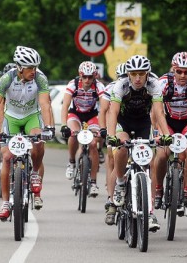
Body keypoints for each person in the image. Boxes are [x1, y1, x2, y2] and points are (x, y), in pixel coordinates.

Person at [0, 46, 53, 220]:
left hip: (32, 116)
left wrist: (49, 128)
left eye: (35, 67)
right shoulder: (6, 79)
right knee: (7, 157)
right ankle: (6, 202)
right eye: (30, 67)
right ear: (20, 67)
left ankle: (35, 173)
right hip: (12, 118)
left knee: (38, 142)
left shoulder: (40, 78)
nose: (34, 71)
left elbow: (45, 105)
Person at [107, 55, 172, 232]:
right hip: (124, 122)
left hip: (143, 123)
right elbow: (112, 112)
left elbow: (159, 112)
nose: (137, 78)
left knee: (149, 163)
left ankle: (150, 212)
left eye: (141, 74)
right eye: (134, 74)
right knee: (121, 147)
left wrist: (166, 134)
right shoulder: (121, 85)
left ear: (147, 74)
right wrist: (112, 135)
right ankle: (120, 183)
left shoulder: (154, 85)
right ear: (128, 74)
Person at [152, 52, 187, 211]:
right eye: (179, 71)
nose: (183, 75)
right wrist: (158, 131)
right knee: (162, 153)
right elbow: (156, 111)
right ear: (173, 69)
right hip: (167, 122)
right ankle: (158, 188)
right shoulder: (163, 82)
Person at [60, 61, 105, 197]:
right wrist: (63, 125)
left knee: (93, 144)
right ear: (80, 76)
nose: (87, 80)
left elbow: (104, 108)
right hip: (76, 114)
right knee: (73, 135)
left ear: (94, 76)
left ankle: (93, 182)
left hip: (92, 115)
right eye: (84, 77)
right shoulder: (73, 85)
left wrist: (103, 128)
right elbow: (65, 106)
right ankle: (72, 162)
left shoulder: (99, 86)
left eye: (90, 77)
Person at [98, 62, 126, 225]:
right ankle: (111, 199)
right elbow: (103, 111)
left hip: (135, 124)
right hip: (115, 125)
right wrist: (104, 130)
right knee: (112, 160)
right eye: (121, 77)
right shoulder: (112, 88)